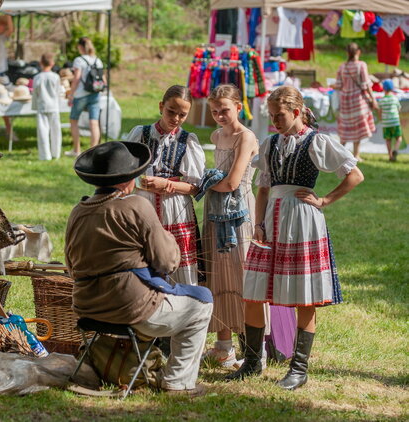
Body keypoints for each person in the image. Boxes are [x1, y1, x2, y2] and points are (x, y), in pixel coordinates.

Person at [228, 86, 364, 390]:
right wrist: (258, 222)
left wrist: (326, 200)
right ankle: (252, 363)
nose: (275, 120)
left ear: (296, 112)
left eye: (280, 115)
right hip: (270, 221)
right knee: (253, 290)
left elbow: (354, 175)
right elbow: (263, 188)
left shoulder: (316, 142)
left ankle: (298, 369)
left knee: (304, 296)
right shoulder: (270, 143)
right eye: (272, 115)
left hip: (302, 221)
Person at [66, 141, 213, 395]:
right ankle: (179, 383)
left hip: (87, 308)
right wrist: (170, 243)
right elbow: (166, 261)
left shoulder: (78, 211)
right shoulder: (136, 205)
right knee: (202, 304)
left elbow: (71, 265)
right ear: (128, 180)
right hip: (132, 309)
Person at [198, 84, 261, 367]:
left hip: (239, 213)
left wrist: (198, 186)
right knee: (218, 276)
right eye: (214, 111)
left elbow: (233, 182)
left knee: (241, 277)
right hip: (215, 210)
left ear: (238, 106)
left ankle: (253, 348)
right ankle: (224, 346)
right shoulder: (215, 134)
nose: (220, 116)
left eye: (225, 109)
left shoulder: (246, 137)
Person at [124, 85, 206, 286]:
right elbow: (124, 173)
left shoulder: (188, 141)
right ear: (161, 106)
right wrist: (140, 183)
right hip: (144, 206)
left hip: (175, 208)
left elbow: (195, 187)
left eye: (182, 115)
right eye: (171, 111)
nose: (176, 118)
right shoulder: (140, 134)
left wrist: (167, 184)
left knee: (178, 264)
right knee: (142, 259)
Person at [334, 42, 378, 161]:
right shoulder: (361, 65)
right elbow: (366, 85)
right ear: (358, 52)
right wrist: (373, 99)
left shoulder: (342, 67)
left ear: (347, 53)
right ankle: (356, 154)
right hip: (358, 100)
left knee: (345, 126)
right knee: (357, 127)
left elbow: (338, 85)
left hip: (345, 100)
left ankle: (339, 153)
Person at [66, 37, 105, 157]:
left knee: (74, 120)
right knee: (94, 122)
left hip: (81, 95)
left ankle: (76, 150)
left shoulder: (79, 60)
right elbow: (103, 79)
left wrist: (71, 94)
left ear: (80, 47)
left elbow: (77, 78)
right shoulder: (98, 60)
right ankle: (93, 151)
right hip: (95, 94)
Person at [31, 52, 62, 160]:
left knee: (43, 131)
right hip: (54, 105)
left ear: (41, 63)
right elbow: (58, 92)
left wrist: (34, 106)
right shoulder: (56, 77)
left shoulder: (37, 77)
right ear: (52, 63)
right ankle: (56, 153)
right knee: (56, 130)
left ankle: (45, 155)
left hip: (42, 105)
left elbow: (35, 93)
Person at [378, 79, 403, 162]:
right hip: (395, 122)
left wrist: (381, 119)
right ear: (392, 88)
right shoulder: (395, 99)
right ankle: (396, 149)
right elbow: (399, 109)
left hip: (386, 124)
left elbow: (380, 111)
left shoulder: (381, 100)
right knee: (399, 138)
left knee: (388, 140)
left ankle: (390, 155)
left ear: (383, 89)